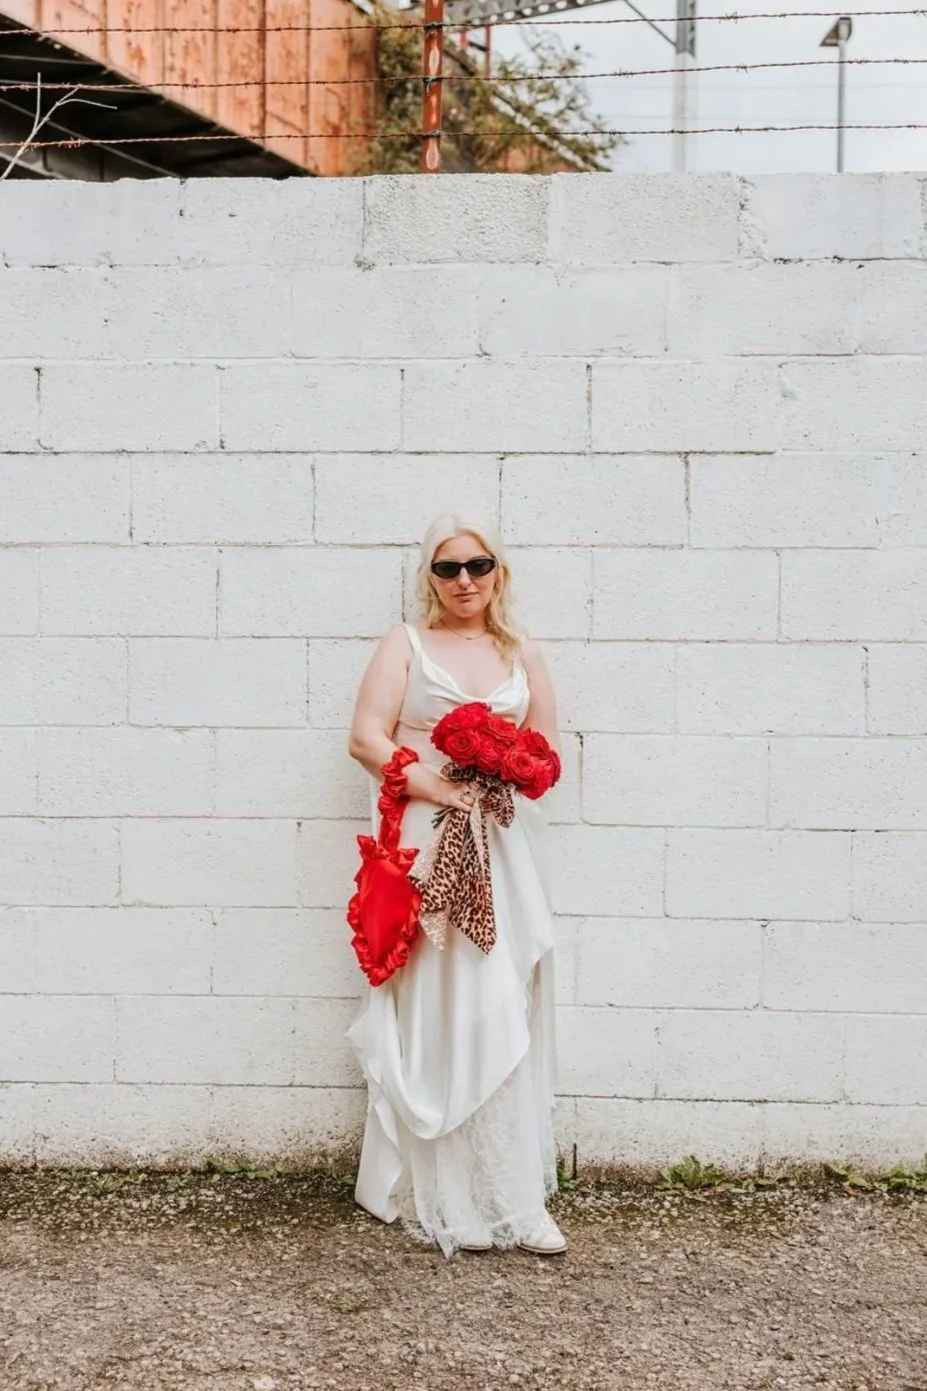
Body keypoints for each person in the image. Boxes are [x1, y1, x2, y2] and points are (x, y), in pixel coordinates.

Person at [345, 513, 566, 1258]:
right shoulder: (404, 644)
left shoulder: (520, 650)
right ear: (430, 577)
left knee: (502, 993)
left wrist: (510, 764)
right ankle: (445, 1194)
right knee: (441, 998)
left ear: (497, 572)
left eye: (477, 565)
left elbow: (544, 748)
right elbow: (366, 735)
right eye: (447, 568)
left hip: (497, 844)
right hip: (429, 837)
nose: (463, 579)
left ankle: (511, 1194)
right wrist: (436, 785)